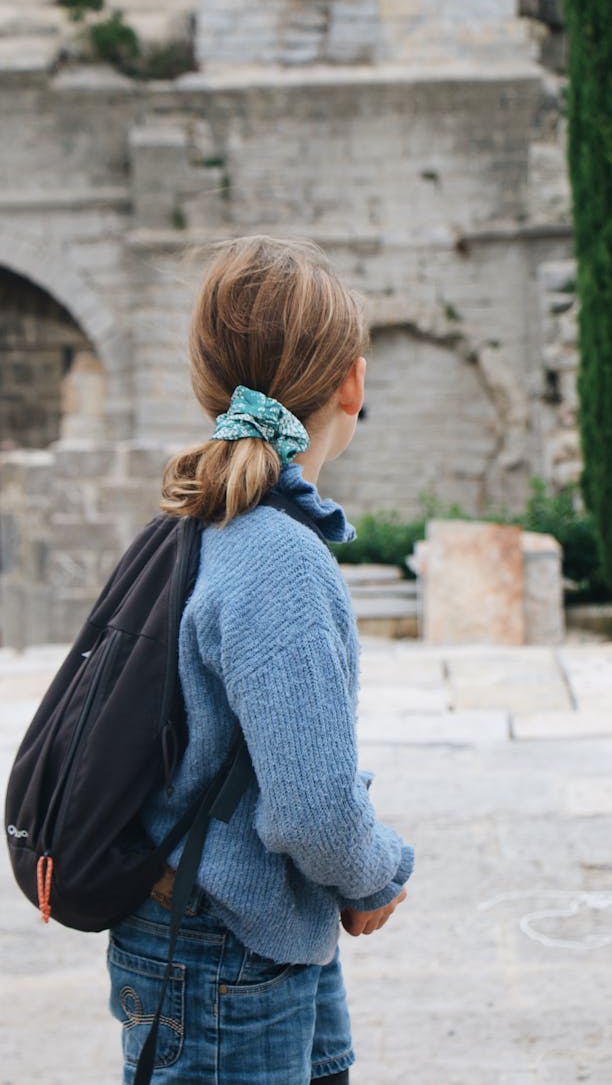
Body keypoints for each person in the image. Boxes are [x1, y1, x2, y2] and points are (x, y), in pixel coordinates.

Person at [106, 236, 414, 1084]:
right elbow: (314, 810)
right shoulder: (277, 554)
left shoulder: (197, 526)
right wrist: (380, 871)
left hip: (210, 937)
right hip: (227, 960)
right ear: (352, 381)